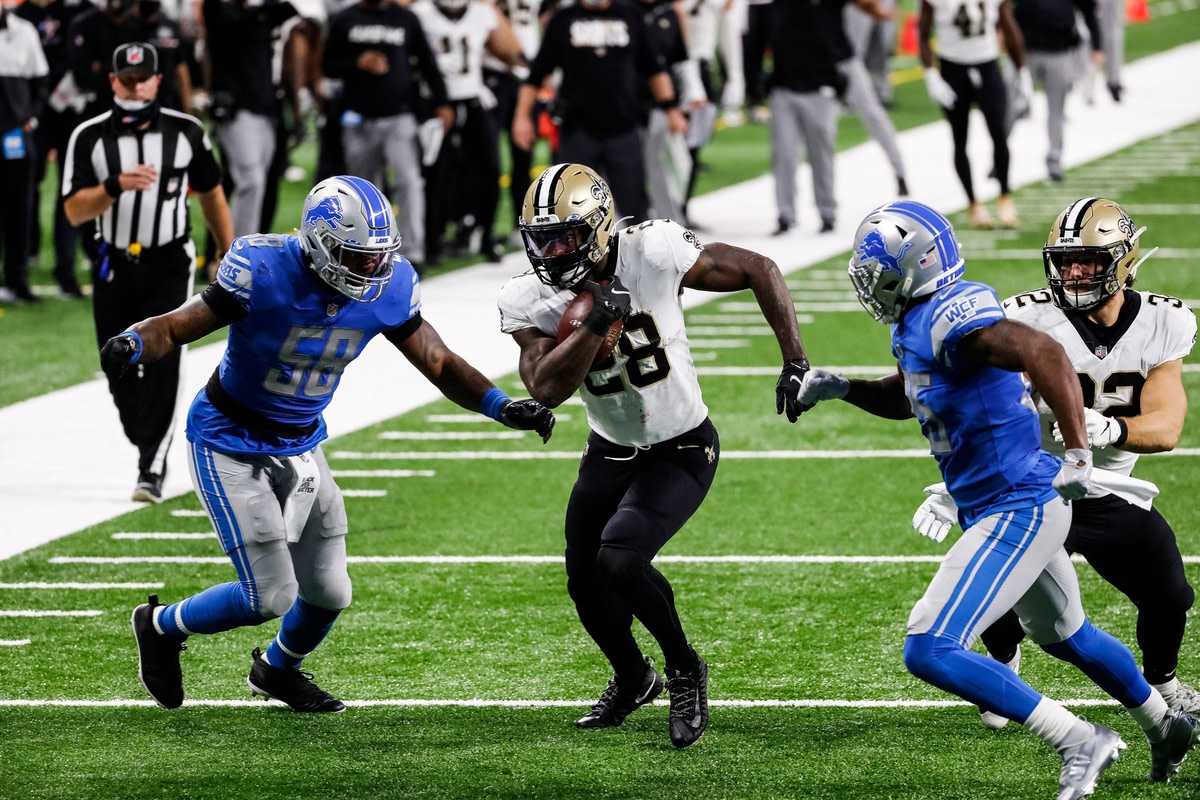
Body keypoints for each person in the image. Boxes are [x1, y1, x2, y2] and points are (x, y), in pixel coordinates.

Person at [794, 199, 1199, 796]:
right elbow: (911, 394)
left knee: (929, 647)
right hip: (1002, 499)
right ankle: (1165, 726)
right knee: (1069, 637)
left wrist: (1082, 450)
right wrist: (843, 389)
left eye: (877, 270)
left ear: (914, 267)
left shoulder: (953, 313)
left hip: (1019, 503)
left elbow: (1045, 354)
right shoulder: (919, 317)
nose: (869, 281)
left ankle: (1079, 739)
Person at [111, 175, 555, 712]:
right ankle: (160, 626)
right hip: (229, 439)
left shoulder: (389, 285)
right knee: (270, 595)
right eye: (357, 256)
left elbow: (438, 361)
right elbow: (178, 326)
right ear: (320, 243)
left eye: (378, 256)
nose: (373, 269)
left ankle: (276, 670)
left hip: (300, 445)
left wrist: (501, 405)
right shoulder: (264, 268)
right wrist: (136, 342)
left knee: (329, 592)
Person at [497, 163, 812, 748]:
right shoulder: (528, 296)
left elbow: (759, 268)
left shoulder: (655, 248)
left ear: (597, 226)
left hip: (682, 444)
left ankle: (685, 669)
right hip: (610, 448)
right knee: (583, 582)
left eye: (562, 237)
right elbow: (545, 386)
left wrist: (795, 359)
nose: (550, 251)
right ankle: (633, 677)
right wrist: (595, 323)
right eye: (540, 239)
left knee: (618, 560)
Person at [912, 197, 1200, 727]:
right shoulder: (1027, 315)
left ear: (1125, 259)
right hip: (1035, 487)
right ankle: (1002, 667)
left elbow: (1168, 426)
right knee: (1002, 599)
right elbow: (986, 408)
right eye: (1065, 261)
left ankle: (1163, 684)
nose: (1074, 273)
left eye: (1089, 261)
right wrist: (963, 487)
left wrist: (1112, 429)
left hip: (1110, 488)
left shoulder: (1165, 320)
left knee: (1169, 594)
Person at [63, 41, 233, 503]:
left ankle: (151, 467)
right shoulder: (90, 136)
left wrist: (227, 250)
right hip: (113, 262)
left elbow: (212, 192)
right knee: (115, 361)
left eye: (144, 79)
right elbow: (75, 211)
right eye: (127, 79)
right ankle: (144, 436)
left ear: (159, 80)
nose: (135, 87)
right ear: (113, 80)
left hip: (168, 261)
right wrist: (115, 186)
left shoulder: (187, 132)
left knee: (162, 356)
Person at [511, 0, 687, 226]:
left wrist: (671, 109)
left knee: (633, 205)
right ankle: (582, 260)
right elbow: (537, 74)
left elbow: (654, 68)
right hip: (578, 127)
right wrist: (521, 117)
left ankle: (632, 258)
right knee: (576, 206)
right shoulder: (563, 19)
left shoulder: (630, 14)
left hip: (624, 124)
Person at [322, 0, 453, 271]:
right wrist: (357, 62)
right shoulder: (345, 18)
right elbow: (327, 65)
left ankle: (413, 254)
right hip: (358, 117)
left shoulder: (406, 19)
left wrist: (442, 101)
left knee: (409, 182)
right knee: (365, 191)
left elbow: (427, 61)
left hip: (400, 115)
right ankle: (368, 254)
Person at [918, 0, 1029, 229]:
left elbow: (1008, 27)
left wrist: (1022, 69)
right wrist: (930, 73)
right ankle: (973, 203)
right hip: (952, 68)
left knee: (998, 131)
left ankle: (1005, 196)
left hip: (986, 65)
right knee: (960, 137)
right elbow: (922, 34)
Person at [203, 0, 298, 238]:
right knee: (250, 181)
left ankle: (252, 244)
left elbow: (291, 9)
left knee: (262, 183)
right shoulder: (220, 12)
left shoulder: (262, 16)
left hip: (267, 111)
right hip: (236, 112)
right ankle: (237, 253)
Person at [767, 0, 844, 236]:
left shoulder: (829, 5)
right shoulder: (777, 6)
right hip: (784, 88)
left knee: (821, 155)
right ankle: (785, 215)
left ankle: (827, 212)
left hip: (820, 89)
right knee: (784, 155)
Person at [1008, 0, 1102, 182]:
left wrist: (1097, 45)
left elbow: (1089, 10)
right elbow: (1007, 9)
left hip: (1058, 51)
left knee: (1056, 110)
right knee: (1009, 107)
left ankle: (1054, 160)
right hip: (1024, 53)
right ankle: (999, 155)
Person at [0, 3, 50, 305]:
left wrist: (30, 119)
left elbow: (41, 84)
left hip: (15, 138)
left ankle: (16, 280)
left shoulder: (24, 31)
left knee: (19, 210)